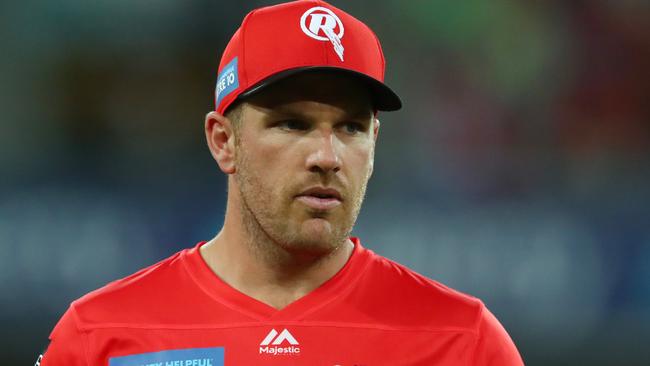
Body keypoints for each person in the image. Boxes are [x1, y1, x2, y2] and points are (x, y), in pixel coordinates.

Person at [40, 1, 523, 365]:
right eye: (292, 124)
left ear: (374, 143)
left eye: (351, 128)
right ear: (223, 140)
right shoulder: (99, 338)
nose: (327, 157)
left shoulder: (463, 342)